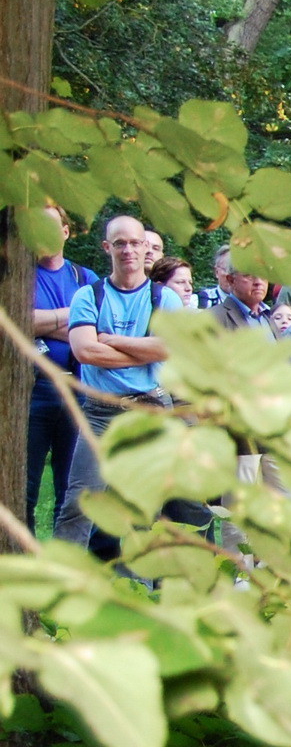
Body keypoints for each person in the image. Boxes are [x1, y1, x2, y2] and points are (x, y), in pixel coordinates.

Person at [55, 215, 187, 554]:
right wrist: (145, 350)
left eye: (134, 243)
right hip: (100, 412)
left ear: (146, 248)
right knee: (79, 502)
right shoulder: (89, 295)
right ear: (107, 247)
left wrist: (111, 340)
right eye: (120, 243)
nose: (128, 250)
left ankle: (136, 580)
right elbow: (85, 351)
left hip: (150, 408)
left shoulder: (165, 298)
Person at [28, 206, 95, 533]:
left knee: (71, 487)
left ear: (66, 232)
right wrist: (72, 316)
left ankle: (63, 556)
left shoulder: (84, 278)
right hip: (33, 391)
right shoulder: (19, 276)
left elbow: (98, 328)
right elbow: (17, 321)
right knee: (24, 485)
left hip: (78, 390)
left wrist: (43, 322)